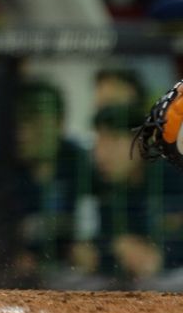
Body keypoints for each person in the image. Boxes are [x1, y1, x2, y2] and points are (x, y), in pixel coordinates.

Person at [75, 102, 183, 288]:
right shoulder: (98, 182)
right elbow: (88, 247)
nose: (101, 154)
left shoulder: (174, 176)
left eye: (113, 141)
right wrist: (114, 247)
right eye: (99, 141)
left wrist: (163, 256)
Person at [10, 80, 93, 286]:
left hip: (80, 279)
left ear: (59, 122)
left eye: (34, 122)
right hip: (16, 282)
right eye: (19, 123)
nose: (24, 133)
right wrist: (9, 255)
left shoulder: (83, 165)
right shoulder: (4, 172)